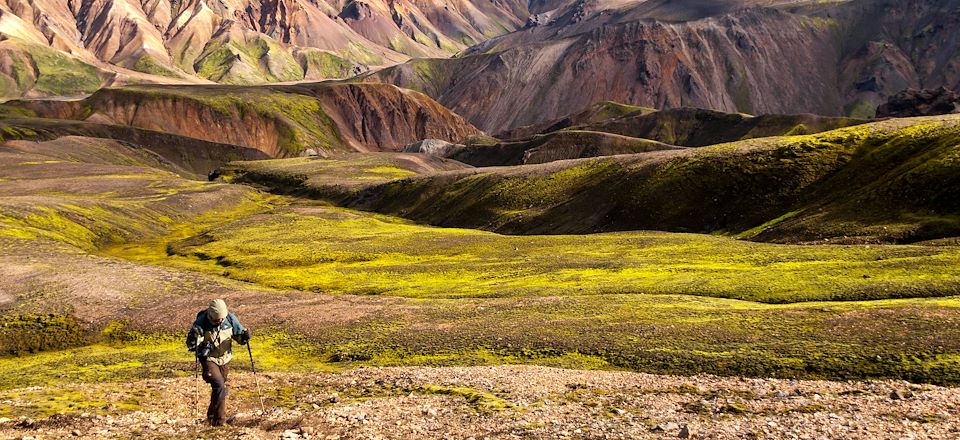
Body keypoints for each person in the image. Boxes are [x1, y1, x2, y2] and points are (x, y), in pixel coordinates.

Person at [186, 299, 251, 426]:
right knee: (219, 386)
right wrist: (194, 337)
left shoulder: (230, 319)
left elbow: (240, 338)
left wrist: (246, 336)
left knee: (219, 390)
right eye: (216, 320)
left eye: (221, 319)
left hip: (224, 359)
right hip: (209, 359)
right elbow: (191, 345)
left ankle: (211, 417)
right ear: (210, 315)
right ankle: (220, 421)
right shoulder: (201, 323)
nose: (219, 321)